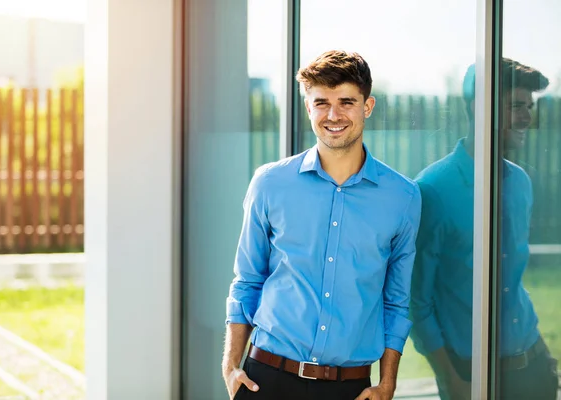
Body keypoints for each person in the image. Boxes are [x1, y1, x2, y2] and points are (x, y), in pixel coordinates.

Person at [222, 50, 422, 400]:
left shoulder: (402, 197)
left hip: (350, 388)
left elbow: (396, 300)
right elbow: (247, 280)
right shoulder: (270, 183)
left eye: (347, 101)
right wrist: (231, 365)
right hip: (265, 379)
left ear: (368, 106)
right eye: (321, 102)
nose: (333, 115)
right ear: (308, 107)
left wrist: (387, 382)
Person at [409, 58, 559, 400]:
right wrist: (450, 379)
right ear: (481, 108)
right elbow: (417, 301)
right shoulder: (433, 191)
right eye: (516, 106)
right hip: (472, 376)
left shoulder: (520, 183)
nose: (527, 117)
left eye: (529, 106)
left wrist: (543, 357)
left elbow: (511, 283)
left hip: (535, 368)